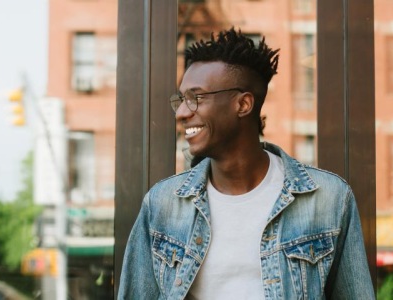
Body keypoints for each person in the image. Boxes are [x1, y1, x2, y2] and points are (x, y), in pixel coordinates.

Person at [118, 28, 374, 300]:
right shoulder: (163, 204)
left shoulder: (327, 199)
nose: (181, 112)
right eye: (181, 100)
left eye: (196, 98)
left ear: (243, 104)